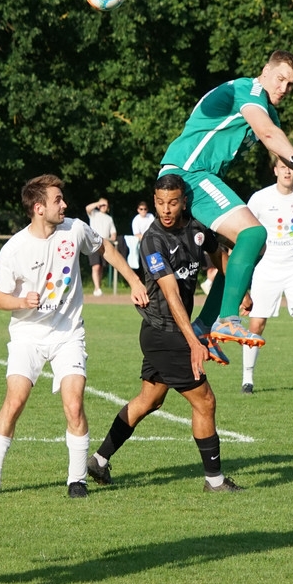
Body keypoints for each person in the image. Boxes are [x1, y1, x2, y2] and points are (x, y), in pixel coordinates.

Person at [158, 50, 293, 346]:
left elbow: (284, 150)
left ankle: (205, 327)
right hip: (188, 173)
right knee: (254, 233)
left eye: (291, 84)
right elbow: (268, 135)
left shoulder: (266, 108)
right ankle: (227, 320)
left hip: (197, 176)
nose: (284, 88)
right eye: (280, 79)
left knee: (254, 246)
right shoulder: (249, 90)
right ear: (265, 71)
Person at [0, 175, 148, 499]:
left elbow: (105, 248)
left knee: (74, 404)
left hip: (68, 334)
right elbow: (0, 298)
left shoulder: (75, 229)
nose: (65, 205)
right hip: (28, 336)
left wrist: (134, 281)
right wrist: (21, 302)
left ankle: (77, 480)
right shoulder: (14, 249)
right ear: (39, 208)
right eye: (58, 200)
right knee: (14, 401)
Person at [86, 173, 243, 493]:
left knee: (150, 400)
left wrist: (239, 293)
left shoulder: (198, 228)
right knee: (205, 401)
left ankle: (99, 461)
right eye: (160, 203)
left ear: (184, 201)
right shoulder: (153, 240)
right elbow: (171, 296)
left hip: (165, 332)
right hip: (165, 333)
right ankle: (214, 481)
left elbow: (220, 256)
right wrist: (194, 343)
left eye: (172, 203)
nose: (166, 210)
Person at [240, 159, 293, 397]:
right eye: (283, 167)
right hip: (267, 268)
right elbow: (246, 234)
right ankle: (247, 379)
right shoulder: (259, 199)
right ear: (275, 170)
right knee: (256, 324)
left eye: (291, 168)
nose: (287, 171)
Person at [86, 197, 118, 296]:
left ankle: (98, 288)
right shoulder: (94, 214)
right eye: (102, 205)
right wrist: (98, 203)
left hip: (105, 244)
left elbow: (113, 232)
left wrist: (112, 237)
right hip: (94, 243)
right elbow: (87, 208)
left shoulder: (109, 218)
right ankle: (97, 288)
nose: (104, 207)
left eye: (105, 205)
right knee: (96, 266)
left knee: (101, 267)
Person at [128, 201, 155, 280]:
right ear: (138, 210)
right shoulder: (136, 220)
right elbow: (137, 234)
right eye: (141, 209)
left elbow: (153, 230)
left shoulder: (150, 217)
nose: (143, 211)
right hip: (141, 243)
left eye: (145, 209)